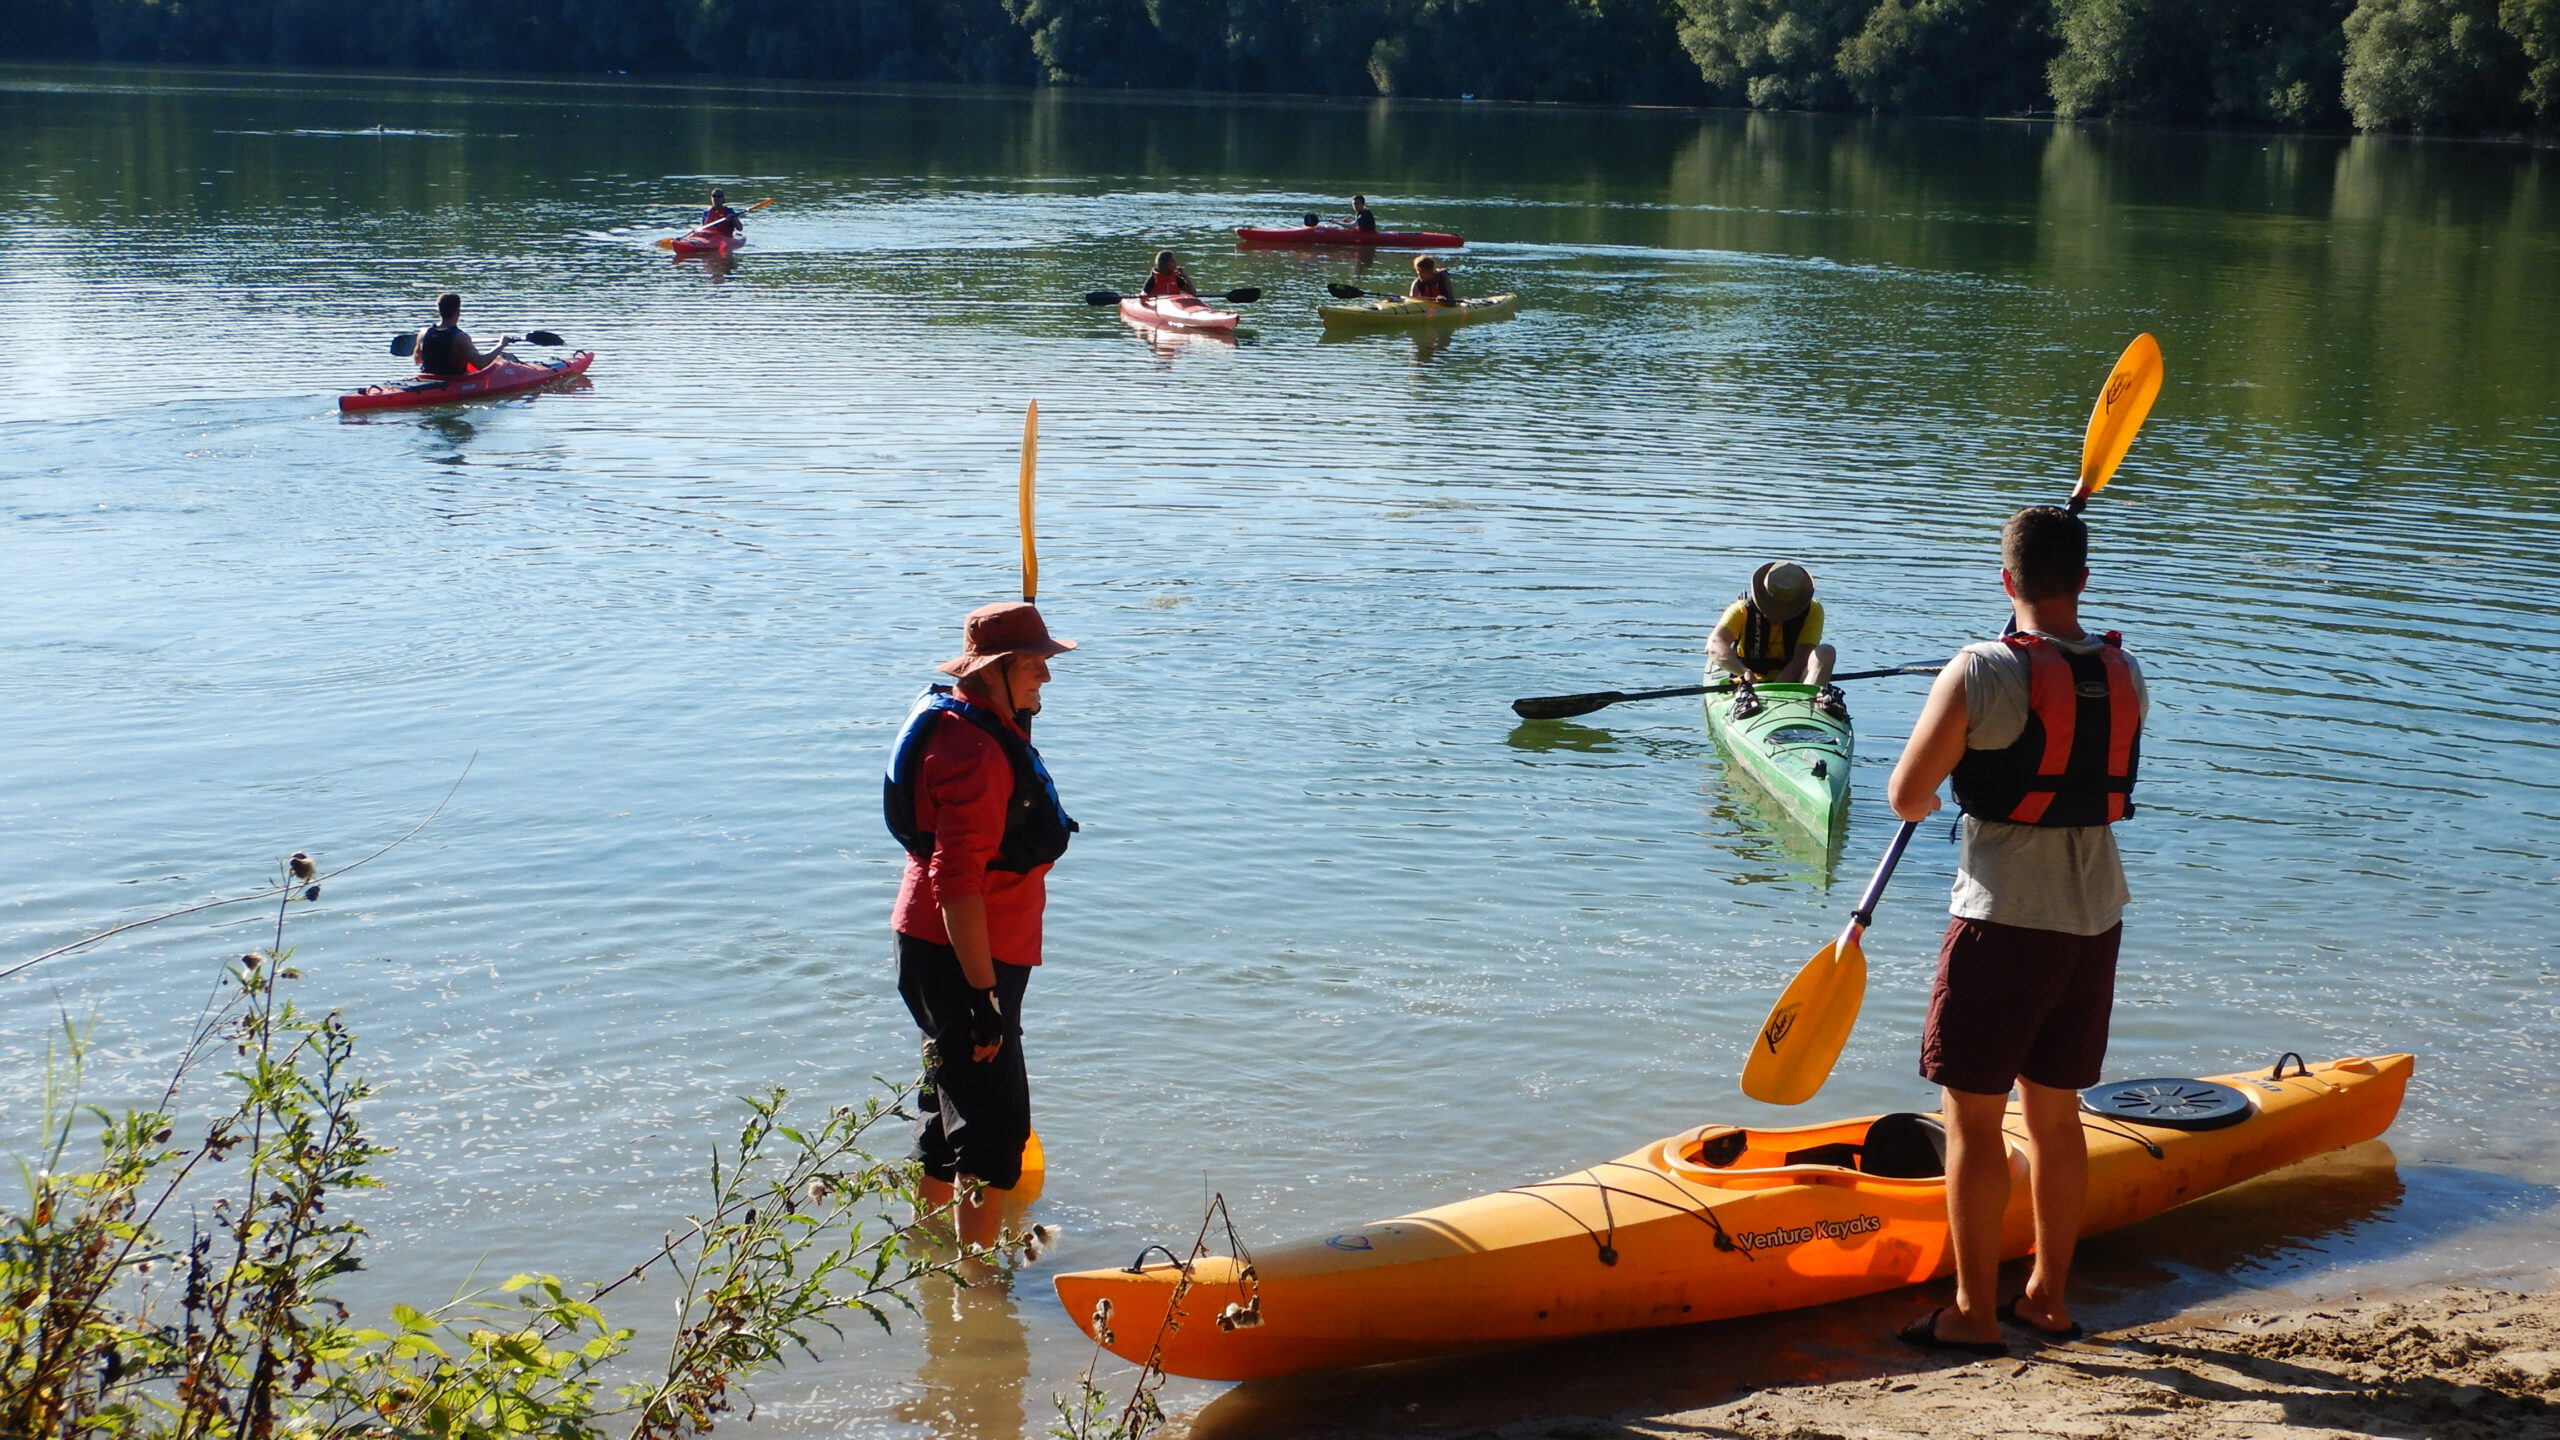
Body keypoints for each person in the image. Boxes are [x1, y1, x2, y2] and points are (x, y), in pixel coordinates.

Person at [1884, 505, 2147, 1356]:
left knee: (1971, 1118)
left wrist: (1949, 771)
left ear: (2006, 582)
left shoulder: (1979, 669)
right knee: (2056, 1117)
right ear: (2083, 580)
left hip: (2002, 920)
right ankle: (2047, 1299)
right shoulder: (2127, 670)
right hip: (2095, 918)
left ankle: (1969, 1311)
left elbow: (1907, 797)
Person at [883, 602, 1078, 1247]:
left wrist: (1018, 710)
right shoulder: (974, 750)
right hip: (965, 952)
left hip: (953, 945)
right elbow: (956, 880)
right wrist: (981, 996)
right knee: (993, 1126)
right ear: (994, 671)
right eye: (1034, 665)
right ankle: (977, 1283)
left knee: (951, 1100)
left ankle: (925, 1243)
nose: (1046, 679)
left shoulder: (988, 724)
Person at [1707, 561, 1842, 716]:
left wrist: (1773, 694)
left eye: (1786, 611)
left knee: (1826, 652)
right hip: (1750, 685)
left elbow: (1801, 659)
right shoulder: (1742, 610)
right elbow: (1713, 645)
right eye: (1771, 608)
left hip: (1796, 684)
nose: (1777, 615)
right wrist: (1744, 672)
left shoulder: (1813, 610)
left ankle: (1807, 710)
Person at [413, 293, 511, 378]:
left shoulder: (423, 333)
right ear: (458, 312)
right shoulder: (460, 337)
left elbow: (417, 359)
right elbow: (480, 364)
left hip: (427, 377)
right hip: (452, 382)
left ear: (438, 311)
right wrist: (501, 345)